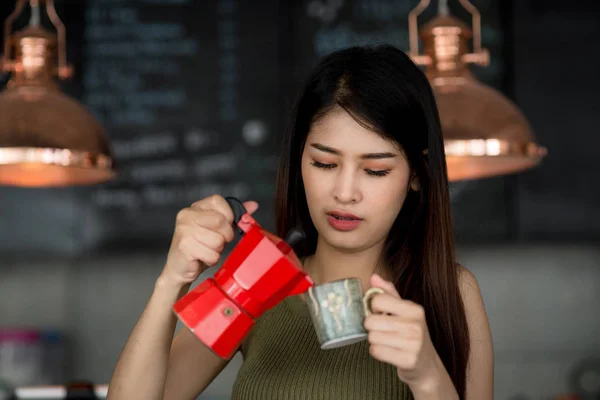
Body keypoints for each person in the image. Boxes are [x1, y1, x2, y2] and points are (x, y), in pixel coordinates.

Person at [107, 44, 494, 400]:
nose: (345, 192)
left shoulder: (450, 291)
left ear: (415, 174)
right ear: (299, 161)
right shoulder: (259, 281)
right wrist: (171, 280)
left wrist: (427, 376)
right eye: (324, 163)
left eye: (375, 170)